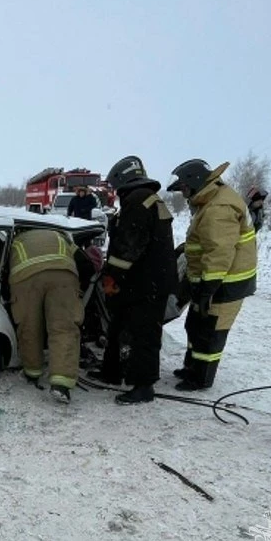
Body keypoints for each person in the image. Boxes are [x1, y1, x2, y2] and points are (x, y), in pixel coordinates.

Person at [88, 155, 177, 405]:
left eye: (115, 190)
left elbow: (128, 247)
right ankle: (112, 373)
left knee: (144, 336)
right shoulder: (146, 198)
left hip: (146, 284)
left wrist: (111, 276)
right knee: (118, 326)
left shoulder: (137, 201)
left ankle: (143, 386)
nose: (115, 194)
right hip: (141, 281)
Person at [167, 159, 257, 391]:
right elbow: (204, 243)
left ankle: (200, 378)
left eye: (185, 188)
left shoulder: (217, 209)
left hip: (225, 283)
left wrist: (208, 288)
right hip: (213, 279)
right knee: (195, 324)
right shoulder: (212, 200)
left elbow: (219, 252)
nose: (184, 194)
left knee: (210, 330)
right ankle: (191, 367)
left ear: (196, 182)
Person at [7, 228, 95, 403]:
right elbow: (86, 264)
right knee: (64, 329)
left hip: (25, 278)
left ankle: (32, 372)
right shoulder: (61, 236)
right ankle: (61, 384)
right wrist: (79, 288)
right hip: (63, 276)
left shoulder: (14, 240)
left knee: (29, 326)